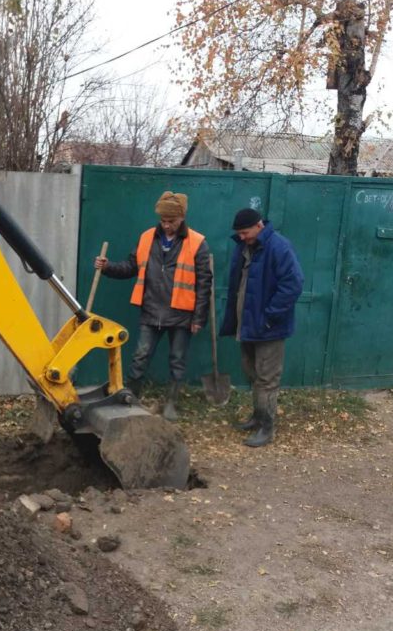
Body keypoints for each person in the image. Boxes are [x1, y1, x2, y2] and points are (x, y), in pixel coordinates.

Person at [94, 191, 211, 421]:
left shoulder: (197, 243)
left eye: (172, 221)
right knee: (140, 356)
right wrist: (107, 267)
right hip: (151, 310)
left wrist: (199, 318)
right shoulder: (147, 237)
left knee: (177, 360)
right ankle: (130, 400)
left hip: (181, 314)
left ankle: (171, 404)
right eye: (163, 221)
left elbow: (205, 283)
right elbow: (130, 266)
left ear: (182, 218)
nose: (166, 226)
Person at [219, 208, 304, 447]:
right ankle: (257, 418)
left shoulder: (279, 247)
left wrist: (269, 317)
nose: (242, 237)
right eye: (239, 233)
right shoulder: (245, 246)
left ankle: (267, 428)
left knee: (267, 379)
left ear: (259, 226)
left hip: (268, 327)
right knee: (253, 374)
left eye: (245, 232)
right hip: (248, 325)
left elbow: (293, 283)